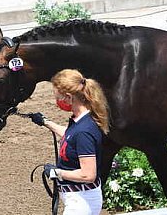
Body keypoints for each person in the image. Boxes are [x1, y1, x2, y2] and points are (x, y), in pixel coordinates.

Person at [30, 69, 110, 215]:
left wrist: (57, 172)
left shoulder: (84, 131)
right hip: (80, 198)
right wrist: (45, 122)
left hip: (81, 202)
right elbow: (70, 137)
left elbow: (88, 174)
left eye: (59, 98)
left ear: (69, 97)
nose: (58, 102)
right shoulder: (81, 121)